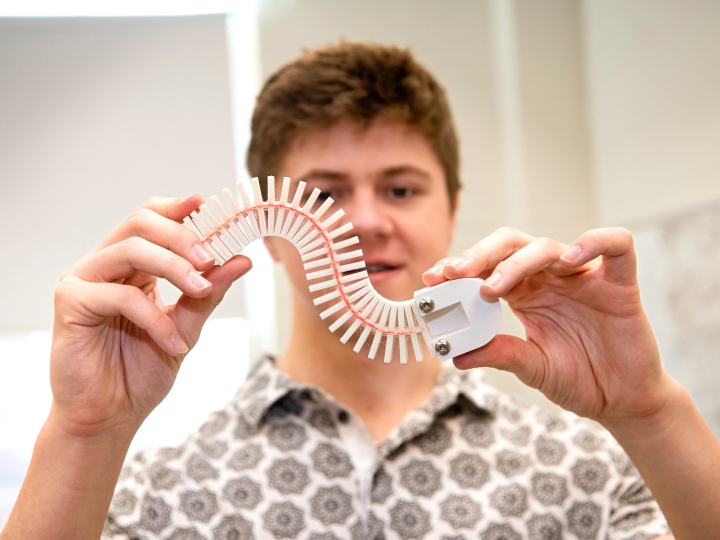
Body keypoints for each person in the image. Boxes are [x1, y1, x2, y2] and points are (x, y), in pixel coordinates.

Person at [1, 42, 719, 540]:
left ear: (453, 208)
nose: (368, 220)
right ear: (270, 221)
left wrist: (650, 410)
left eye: (400, 188)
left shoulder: (583, 470)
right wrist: (84, 431)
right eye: (325, 193)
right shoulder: (155, 492)